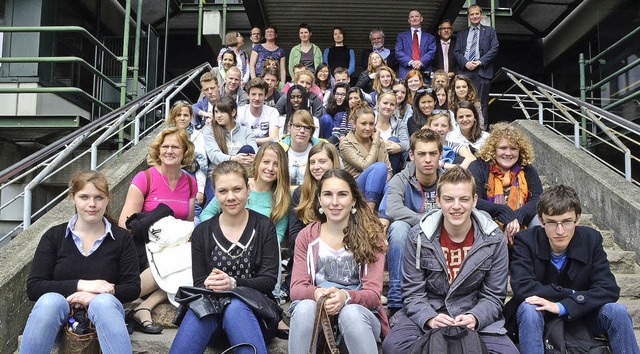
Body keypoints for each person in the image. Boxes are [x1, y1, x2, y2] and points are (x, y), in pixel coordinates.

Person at [382, 166, 518, 354]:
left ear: (474, 201)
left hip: (473, 310)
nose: (456, 206)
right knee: (393, 346)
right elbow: (412, 293)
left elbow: (494, 297)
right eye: (448, 199)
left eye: (463, 199)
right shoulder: (418, 236)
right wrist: (429, 317)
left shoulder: (494, 239)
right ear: (438, 200)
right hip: (431, 308)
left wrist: (475, 317)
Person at [508, 185, 640, 354]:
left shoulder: (591, 239)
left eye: (566, 222)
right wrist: (572, 294)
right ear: (541, 220)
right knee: (529, 308)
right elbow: (522, 288)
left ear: (577, 219)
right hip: (539, 316)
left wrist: (563, 306)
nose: (560, 231)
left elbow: (608, 289)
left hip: (581, 314)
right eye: (552, 222)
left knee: (617, 311)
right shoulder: (525, 240)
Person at [19, 171, 139, 353]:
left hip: (105, 314)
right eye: (84, 197)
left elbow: (132, 287)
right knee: (50, 300)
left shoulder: (122, 238)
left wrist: (96, 295)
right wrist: (83, 285)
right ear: (73, 198)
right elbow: (34, 287)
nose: (92, 204)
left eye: (99, 197)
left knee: (104, 302)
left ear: (107, 199)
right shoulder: (54, 236)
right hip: (59, 313)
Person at [168, 161, 279, 354]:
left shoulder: (264, 226)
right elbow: (200, 282)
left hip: (255, 315)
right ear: (215, 193)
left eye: (237, 189)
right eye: (223, 191)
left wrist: (233, 284)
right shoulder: (202, 231)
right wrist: (211, 283)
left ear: (248, 189)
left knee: (235, 306)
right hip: (213, 316)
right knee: (200, 309)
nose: (230, 197)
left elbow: (268, 280)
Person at [288, 169, 389, 354]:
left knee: (351, 313)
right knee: (304, 308)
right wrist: (317, 293)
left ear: (353, 200)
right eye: (328, 194)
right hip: (317, 317)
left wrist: (345, 297)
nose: (334, 202)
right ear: (319, 199)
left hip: (360, 317)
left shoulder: (372, 236)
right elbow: (296, 288)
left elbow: (373, 294)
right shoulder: (307, 236)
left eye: (342, 195)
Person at [119, 127, 197, 333]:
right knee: (183, 261)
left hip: (175, 246)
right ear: (158, 150)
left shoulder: (190, 182)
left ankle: (145, 305)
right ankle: (122, 299)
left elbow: (187, 223)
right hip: (146, 245)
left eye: (175, 147)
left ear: (185, 151)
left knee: (194, 257)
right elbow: (125, 224)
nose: (170, 151)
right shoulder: (145, 178)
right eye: (165, 146)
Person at [200, 143, 290, 307]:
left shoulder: (282, 197)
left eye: (276, 164)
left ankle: (273, 298)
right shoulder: (238, 185)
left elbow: (278, 234)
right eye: (266, 162)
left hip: (259, 254)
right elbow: (206, 213)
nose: (270, 168)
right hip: (225, 246)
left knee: (274, 246)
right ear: (257, 162)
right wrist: (221, 234)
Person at [377, 128, 443, 313]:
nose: (428, 159)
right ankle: (397, 299)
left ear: (440, 155)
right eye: (422, 154)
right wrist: (427, 221)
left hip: (440, 236)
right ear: (412, 155)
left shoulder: (448, 180)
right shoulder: (401, 179)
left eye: (433, 153)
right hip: (411, 238)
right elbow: (393, 208)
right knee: (398, 228)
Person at [468, 122, 542, 244]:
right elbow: (473, 199)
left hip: (520, 223)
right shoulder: (478, 166)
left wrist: (517, 216)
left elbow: (538, 199)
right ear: (493, 149)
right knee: (481, 216)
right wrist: (503, 212)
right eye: (503, 148)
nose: (508, 153)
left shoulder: (527, 169)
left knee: (538, 220)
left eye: (513, 148)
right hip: (491, 222)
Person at [340, 103, 392, 209]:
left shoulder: (379, 142)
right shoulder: (346, 143)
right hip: (356, 187)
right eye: (363, 124)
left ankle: (383, 217)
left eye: (371, 124)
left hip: (378, 188)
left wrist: (380, 182)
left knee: (392, 185)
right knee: (380, 167)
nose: (368, 128)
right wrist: (375, 143)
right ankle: (369, 211)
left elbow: (389, 170)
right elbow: (365, 166)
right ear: (353, 124)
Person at [453, 4, 499, 123]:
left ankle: (481, 130)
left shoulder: (490, 31)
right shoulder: (462, 33)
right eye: (472, 14)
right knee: (462, 102)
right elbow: (456, 52)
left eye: (477, 14)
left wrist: (479, 61)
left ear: (481, 15)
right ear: (468, 16)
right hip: (465, 72)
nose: (474, 16)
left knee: (481, 103)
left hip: (482, 72)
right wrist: (466, 63)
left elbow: (495, 48)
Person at [166, 101, 208, 216]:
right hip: (167, 180)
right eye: (178, 115)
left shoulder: (198, 136)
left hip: (190, 180)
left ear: (191, 117)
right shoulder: (164, 135)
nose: (182, 118)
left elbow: (202, 165)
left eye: (185, 115)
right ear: (173, 117)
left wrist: (200, 190)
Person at [203, 96, 257, 169]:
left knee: (248, 149)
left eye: (222, 112)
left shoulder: (245, 130)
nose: (218, 115)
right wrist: (233, 159)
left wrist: (251, 158)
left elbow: (254, 152)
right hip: (219, 171)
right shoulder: (209, 130)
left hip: (242, 171)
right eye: (216, 111)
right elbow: (213, 155)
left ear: (233, 112)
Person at [278, 110, 324, 188]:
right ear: (289, 127)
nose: (302, 131)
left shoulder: (322, 149)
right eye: (298, 126)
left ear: (312, 131)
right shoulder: (278, 149)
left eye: (307, 127)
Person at [395, 9, 437, 82]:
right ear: (409, 20)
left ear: (421, 19)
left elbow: (432, 52)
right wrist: (412, 62)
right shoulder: (401, 36)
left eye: (417, 16)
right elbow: (398, 52)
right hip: (406, 73)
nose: (414, 18)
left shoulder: (430, 37)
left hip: (424, 73)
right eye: (412, 17)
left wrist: (421, 62)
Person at [236, 77, 279, 146]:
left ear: (265, 96)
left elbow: (274, 139)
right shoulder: (240, 112)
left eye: (260, 95)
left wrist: (250, 140)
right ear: (247, 95)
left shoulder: (272, 112)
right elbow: (236, 137)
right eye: (253, 94)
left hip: (266, 150)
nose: (257, 98)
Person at [375, 91, 409, 174]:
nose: (388, 107)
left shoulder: (400, 124)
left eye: (392, 104)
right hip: (373, 160)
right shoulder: (370, 121)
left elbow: (407, 143)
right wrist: (382, 143)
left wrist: (398, 147)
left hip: (394, 163)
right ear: (378, 104)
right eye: (385, 103)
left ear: (395, 108)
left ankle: (389, 179)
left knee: (394, 140)